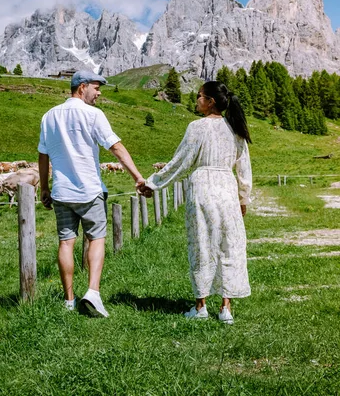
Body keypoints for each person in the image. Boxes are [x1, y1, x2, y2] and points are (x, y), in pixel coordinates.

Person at [142, 81, 252, 324]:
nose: (196, 100)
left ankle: (200, 306)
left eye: (200, 96)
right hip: (226, 189)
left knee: (202, 244)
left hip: (202, 188)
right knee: (229, 245)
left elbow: (180, 162)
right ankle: (226, 309)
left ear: (210, 101)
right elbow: (244, 169)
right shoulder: (235, 129)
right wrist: (243, 198)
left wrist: (152, 183)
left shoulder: (196, 128)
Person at [38, 70, 146, 317]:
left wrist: (44, 187)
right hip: (89, 191)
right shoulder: (93, 115)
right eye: (96, 88)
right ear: (82, 87)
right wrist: (138, 177)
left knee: (66, 242)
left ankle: (68, 300)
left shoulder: (49, 116)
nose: (98, 94)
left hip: (62, 193)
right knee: (96, 238)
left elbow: (42, 155)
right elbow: (116, 147)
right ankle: (93, 293)